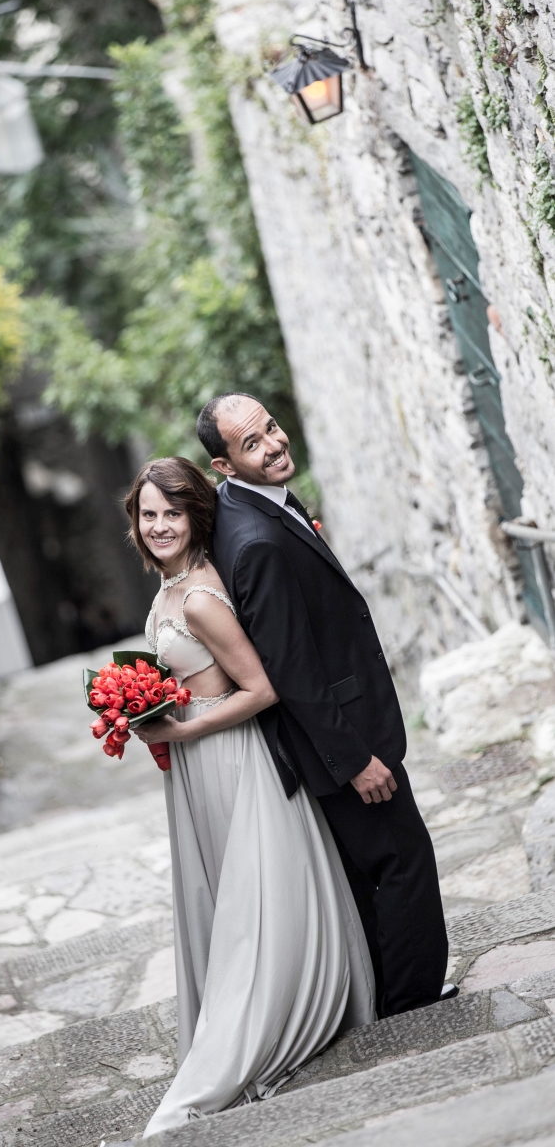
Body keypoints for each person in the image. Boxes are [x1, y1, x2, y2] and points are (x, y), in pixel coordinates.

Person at [123, 456, 375, 1137]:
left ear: (195, 516)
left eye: (172, 513)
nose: (159, 526)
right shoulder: (172, 587)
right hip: (195, 764)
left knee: (250, 897)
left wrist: (185, 727)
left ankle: (261, 1019)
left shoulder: (200, 598)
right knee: (227, 894)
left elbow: (261, 689)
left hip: (229, 759)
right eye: (148, 515)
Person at [196, 392, 450, 1019]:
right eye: (251, 443)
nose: (273, 444)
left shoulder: (245, 505)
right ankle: (411, 1004)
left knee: (371, 870)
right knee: (401, 862)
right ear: (224, 466)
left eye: (271, 428)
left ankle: (388, 995)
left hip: (336, 732)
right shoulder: (256, 540)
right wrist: (354, 759)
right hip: (341, 738)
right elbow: (292, 669)